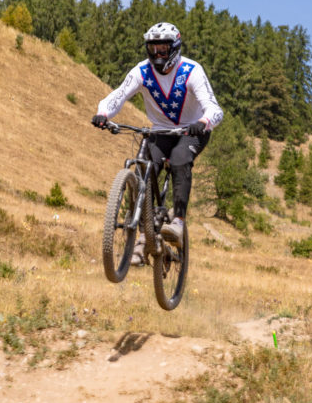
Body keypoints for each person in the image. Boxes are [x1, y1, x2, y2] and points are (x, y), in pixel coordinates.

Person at [91, 22, 222, 264]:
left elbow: (215, 109)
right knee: (144, 168)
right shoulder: (142, 72)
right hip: (160, 131)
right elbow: (119, 95)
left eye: (163, 49)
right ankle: (143, 236)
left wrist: (203, 122)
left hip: (192, 130)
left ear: (175, 49)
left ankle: (178, 223)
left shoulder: (192, 71)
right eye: (153, 49)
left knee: (181, 159)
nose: (157, 55)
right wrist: (103, 114)